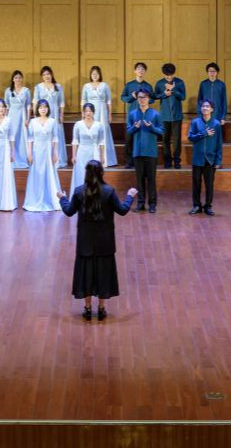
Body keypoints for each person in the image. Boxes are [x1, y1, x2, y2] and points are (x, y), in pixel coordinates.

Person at [57, 161, 139, 322]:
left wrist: (62, 198)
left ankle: (87, 308)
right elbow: (122, 210)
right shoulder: (109, 191)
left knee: (86, 273)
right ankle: (101, 309)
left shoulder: (79, 191)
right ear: (102, 173)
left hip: (85, 241)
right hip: (105, 242)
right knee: (103, 273)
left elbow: (69, 211)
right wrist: (130, 196)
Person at [126, 86, 163, 213]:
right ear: (137, 99)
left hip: (151, 152)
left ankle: (152, 204)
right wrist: (135, 127)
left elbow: (161, 131)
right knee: (139, 180)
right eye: (140, 97)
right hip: (137, 152)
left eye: (145, 97)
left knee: (151, 180)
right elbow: (129, 131)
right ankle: (140, 203)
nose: (142, 99)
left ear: (149, 99)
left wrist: (152, 127)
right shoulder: (132, 114)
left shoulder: (155, 114)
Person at [25, 99, 63, 212]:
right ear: (37, 109)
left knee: (49, 174)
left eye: (45, 107)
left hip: (48, 151)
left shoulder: (52, 121)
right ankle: (35, 200)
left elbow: (55, 139)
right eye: (41, 107)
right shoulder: (32, 122)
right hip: (36, 151)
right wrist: (29, 153)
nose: (43, 109)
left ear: (48, 109)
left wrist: (55, 153)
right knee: (37, 175)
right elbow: (30, 139)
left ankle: (50, 199)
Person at [187, 99, 222, 216]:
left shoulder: (216, 124)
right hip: (197, 159)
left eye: (207, 106)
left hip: (210, 159)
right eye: (203, 106)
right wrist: (204, 133)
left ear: (212, 109)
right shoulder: (195, 122)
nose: (205, 108)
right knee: (196, 183)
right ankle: (196, 205)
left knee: (209, 184)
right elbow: (190, 137)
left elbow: (219, 143)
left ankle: (208, 206)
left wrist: (218, 160)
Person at [81, 66, 117, 167]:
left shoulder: (105, 85)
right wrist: (83, 114)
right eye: (93, 74)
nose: (95, 75)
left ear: (100, 75)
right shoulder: (86, 86)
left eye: (96, 74)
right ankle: (91, 159)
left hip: (102, 112)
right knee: (91, 132)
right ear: (90, 75)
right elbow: (83, 101)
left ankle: (105, 159)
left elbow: (108, 101)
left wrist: (109, 114)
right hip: (89, 112)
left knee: (102, 132)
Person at [34, 66, 68, 169]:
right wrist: (36, 116)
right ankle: (45, 159)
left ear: (51, 74)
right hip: (43, 114)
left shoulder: (58, 86)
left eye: (48, 74)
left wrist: (61, 115)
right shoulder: (38, 87)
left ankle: (58, 159)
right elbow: (35, 102)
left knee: (56, 135)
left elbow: (61, 102)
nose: (46, 76)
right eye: (44, 74)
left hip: (55, 114)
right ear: (42, 76)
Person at [154, 63, 186, 169]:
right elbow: (155, 96)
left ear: (174, 73)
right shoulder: (159, 83)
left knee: (177, 140)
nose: (169, 77)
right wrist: (164, 94)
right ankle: (167, 160)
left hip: (177, 116)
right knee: (165, 139)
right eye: (167, 76)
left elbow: (183, 97)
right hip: (164, 116)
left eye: (171, 75)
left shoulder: (180, 82)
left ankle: (176, 160)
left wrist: (174, 90)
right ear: (164, 74)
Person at [71, 102, 107, 195]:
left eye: (90, 111)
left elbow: (101, 142)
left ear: (93, 112)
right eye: (86, 111)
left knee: (94, 174)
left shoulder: (99, 125)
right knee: (81, 174)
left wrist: (102, 156)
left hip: (94, 151)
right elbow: (75, 141)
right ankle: (80, 196)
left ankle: (94, 196)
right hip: (81, 152)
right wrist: (74, 155)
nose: (88, 113)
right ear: (83, 112)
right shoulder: (78, 124)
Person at [119, 62, 150, 166]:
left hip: (144, 116)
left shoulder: (148, 86)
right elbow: (123, 98)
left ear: (145, 71)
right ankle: (129, 161)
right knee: (129, 139)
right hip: (132, 117)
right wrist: (132, 96)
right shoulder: (129, 85)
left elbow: (152, 99)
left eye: (142, 69)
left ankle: (140, 162)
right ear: (135, 71)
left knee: (142, 139)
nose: (140, 71)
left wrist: (145, 99)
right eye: (138, 69)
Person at [4, 70, 33, 169]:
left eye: (20, 77)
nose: (18, 79)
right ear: (13, 79)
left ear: (22, 79)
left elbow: (28, 105)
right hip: (11, 116)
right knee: (12, 136)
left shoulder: (26, 91)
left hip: (22, 116)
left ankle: (22, 158)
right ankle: (11, 158)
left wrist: (28, 118)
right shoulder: (8, 91)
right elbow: (6, 106)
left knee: (21, 137)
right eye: (16, 77)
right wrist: (5, 119)